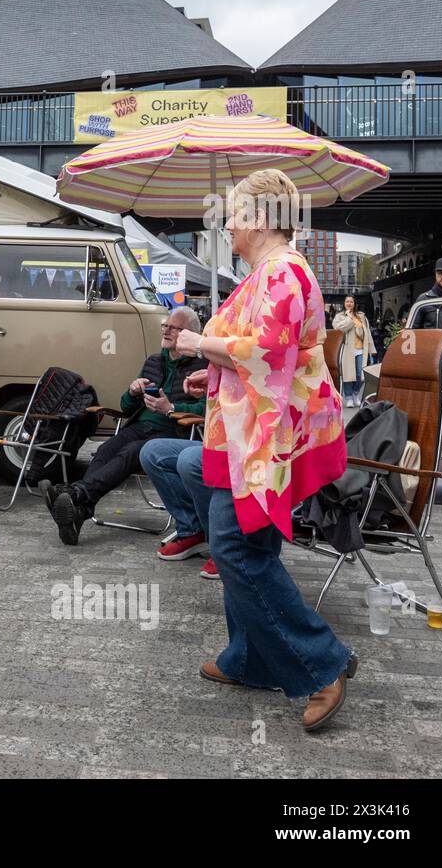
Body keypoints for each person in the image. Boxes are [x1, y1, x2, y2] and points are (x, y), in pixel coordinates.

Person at [173, 169, 355, 733]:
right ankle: (249, 659)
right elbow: (267, 355)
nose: (226, 222)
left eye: (232, 212)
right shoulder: (275, 272)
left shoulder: (279, 273)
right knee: (247, 544)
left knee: (234, 548)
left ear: (258, 218)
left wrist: (199, 343)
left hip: (261, 438)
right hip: (252, 430)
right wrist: (215, 370)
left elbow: (269, 352)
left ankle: (321, 663)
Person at [42, 305, 207, 546]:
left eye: (174, 327)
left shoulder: (200, 368)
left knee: (130, 453)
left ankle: (75, 495)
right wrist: (132, 391)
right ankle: (79, 508)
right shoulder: (153, 361)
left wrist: (170, 408)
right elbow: (126, 406)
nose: (167, 330)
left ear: (190, 334)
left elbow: (207, 409)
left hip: (172, 432)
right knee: (107, 450)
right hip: (140, 426)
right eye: (166, 326)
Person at [333, 295, 375, 407]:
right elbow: (338, 329)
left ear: (354, 304)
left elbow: (367, 334)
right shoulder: (340, 316)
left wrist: (371, 349)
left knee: (359, 374)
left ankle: (356, 394)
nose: (349, 303)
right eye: (347, 301)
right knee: (347, 375)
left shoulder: (361, 317)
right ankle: (348, 397)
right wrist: (349, 318)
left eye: (351, 302)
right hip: (347, 349)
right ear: (344, 303)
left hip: (361, 349)